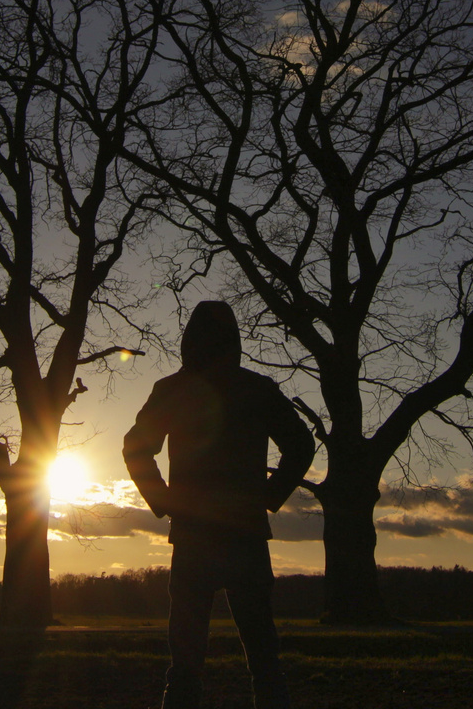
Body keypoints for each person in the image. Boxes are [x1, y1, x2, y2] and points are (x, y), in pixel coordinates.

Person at [123, 301, 316, 709]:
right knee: (263, 658)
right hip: (242, 531)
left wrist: (166, 501)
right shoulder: (257, 388)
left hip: (195, 532)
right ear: (234, 340)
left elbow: (135, 449)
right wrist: (268, 496)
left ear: (189, 340)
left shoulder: (174, 389)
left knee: (188, 661)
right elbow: (300, 445)